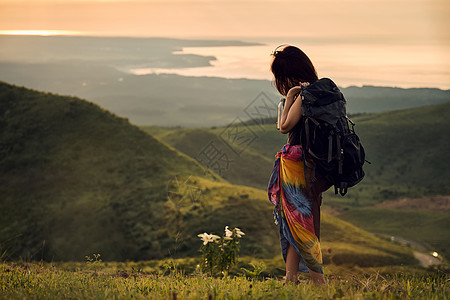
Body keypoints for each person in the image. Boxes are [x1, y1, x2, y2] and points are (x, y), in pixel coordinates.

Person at [268, 45, 329, 285]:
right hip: (316, 164)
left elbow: (284, 126)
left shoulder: (303, 95)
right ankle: (290, 277)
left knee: (301, 223)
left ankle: (319, 283)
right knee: (296, 219)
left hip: (297, 164)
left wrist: (292, 95)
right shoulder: (322, 92)